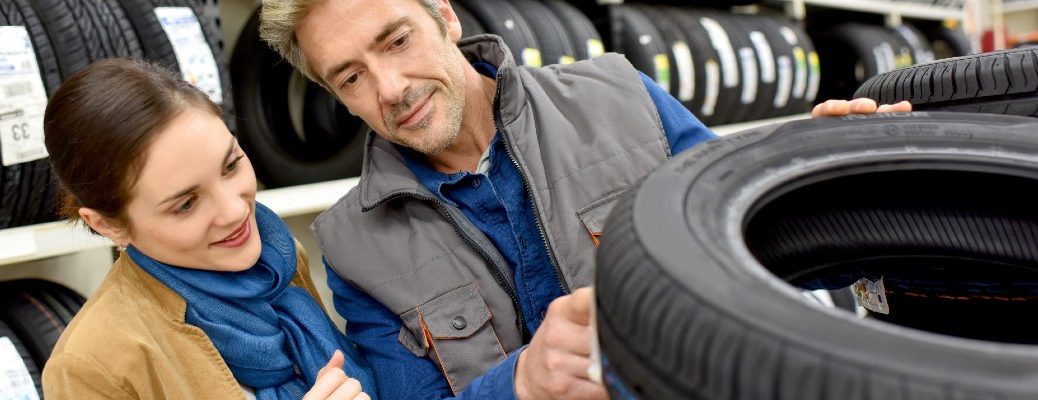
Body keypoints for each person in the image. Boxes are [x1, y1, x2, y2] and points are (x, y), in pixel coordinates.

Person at [258, 1, 913, 399]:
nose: (391, 87)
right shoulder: (352, 246)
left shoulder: (620, 96)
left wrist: (829, 187)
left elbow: (758, 242)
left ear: (445, 15)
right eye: (351, 77)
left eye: (396, 40)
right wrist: (520, 385)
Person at [40, 58, 376, 400]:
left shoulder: (276, 259)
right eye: (186, 204)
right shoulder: (90, 366)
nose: (235, 211)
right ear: (109, 224)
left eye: (231, 165)